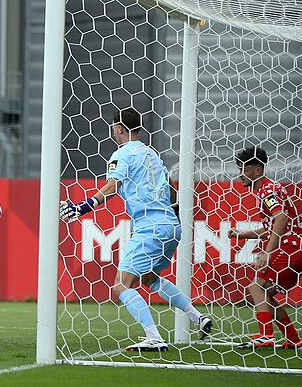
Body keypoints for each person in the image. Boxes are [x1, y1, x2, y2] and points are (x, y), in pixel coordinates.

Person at [59, 107, 211, 352]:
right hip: (171, 225)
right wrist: (174, 222)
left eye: (113, 128)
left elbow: (112, 185)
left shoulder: (122, 154)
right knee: (150, 279)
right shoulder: (153, 154)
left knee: (121, 284)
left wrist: (82, 207)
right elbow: (172, 190)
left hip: (149, 226)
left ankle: (154, 337)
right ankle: (198, 317)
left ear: (118, 128)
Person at [229, 146, 302, 350]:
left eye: (245, 170)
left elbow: (281, 219)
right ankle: (293, 339)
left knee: (255, 287)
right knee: (265, 293)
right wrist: (242, 235)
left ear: (258, 171)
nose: (240, 175)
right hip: (298, 249)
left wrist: (267, 252)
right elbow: (272, 226)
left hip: (290, 249)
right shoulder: (269, 189)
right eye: (239, 169)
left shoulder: (267, 191)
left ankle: (266, 335)